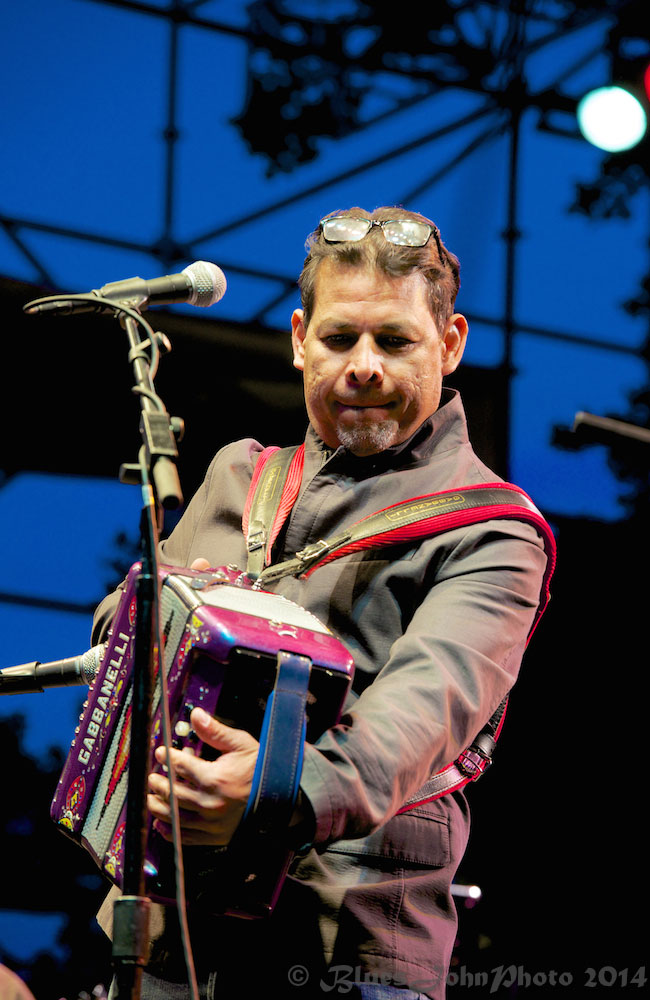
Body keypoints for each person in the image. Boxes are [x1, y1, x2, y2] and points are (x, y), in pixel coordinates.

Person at [93, 206, 552, 999]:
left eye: (395, 341)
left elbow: (415, 720)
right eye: (340, 338)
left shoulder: (498, 534)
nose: (363, 366)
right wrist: (157, 610)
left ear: (450, 345)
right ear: (301, 337)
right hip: (167, 925)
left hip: (350, 943)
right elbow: (119, 630)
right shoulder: (238, 473)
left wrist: (271, 794)